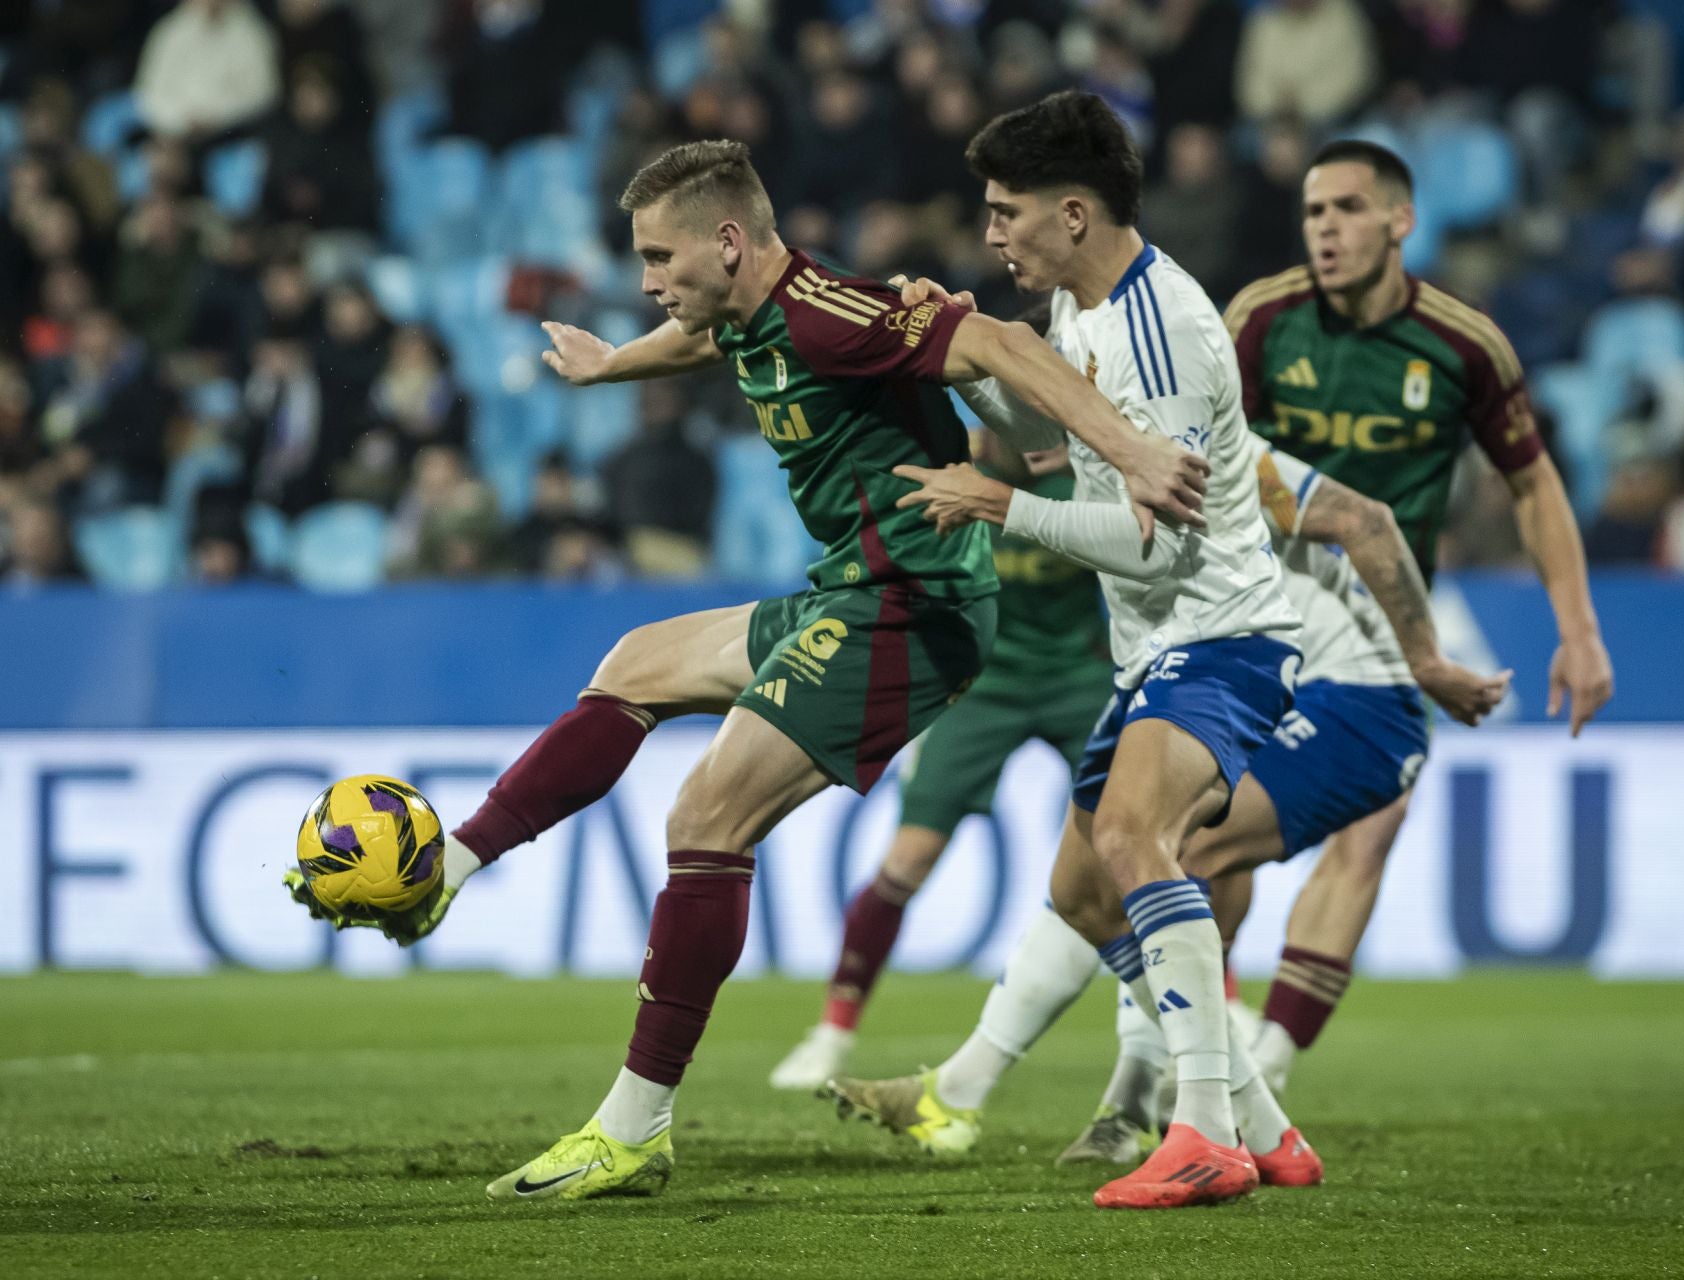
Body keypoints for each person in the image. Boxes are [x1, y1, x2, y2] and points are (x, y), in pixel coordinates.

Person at [285, 138, 1208, 1203]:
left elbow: (998, 341)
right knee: (634, 663)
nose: (646, 280)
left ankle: (633, 1126)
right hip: (851, 592)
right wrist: (611, 364)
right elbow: (704, 340)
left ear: (729, 241)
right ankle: (445, 873)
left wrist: (1135, 455)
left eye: (658, 255)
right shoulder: (754, 314)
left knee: (705, 818)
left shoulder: (835, 314)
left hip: (916, 607)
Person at [824, 89, 1310, 1211]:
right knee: (1085, 893)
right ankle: (1271, 1131)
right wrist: (980, 360)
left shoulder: (1166, 329)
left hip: (1220, 632)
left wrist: (995, 505)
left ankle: (1200, 1131)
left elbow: (1150, 549)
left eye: (1007, 212)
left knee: (1137, 836)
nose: (992, 233)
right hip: (1158, 649)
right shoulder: (1084, 315)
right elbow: (1061, 444)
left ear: (1075, 213)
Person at [830, 442, 1505, 1176]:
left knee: (1156, 850)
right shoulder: (1100, 455)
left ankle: (1150, 1108)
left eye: (1003, 400)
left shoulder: (1195, 443)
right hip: (1209, 673)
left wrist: (1428, 661)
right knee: (1083, 884)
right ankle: (991, 1093)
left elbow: (1364, 519)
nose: (985, 435)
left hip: (1351, 697)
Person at [1219, 139, 1613, 1095]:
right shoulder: (1261, 320)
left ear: (1401, 222)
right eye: (1314, 212)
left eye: (1349, 209)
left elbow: (1532, 485)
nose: (1326, 230)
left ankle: (1264, 1068)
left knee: (1370, 831)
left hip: (1386, 623)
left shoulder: (1463, 344)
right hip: (1259, 607)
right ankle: (1190, 1036)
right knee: (1211, 830)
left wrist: (1581, 629)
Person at [768, 428, 1113, 1092]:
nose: (996, 429)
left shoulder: (1083, 483)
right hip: (980, 688)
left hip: (1079, 681)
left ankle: (1220, 1001)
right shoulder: (947, 480)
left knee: (1140, 850)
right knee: (907, 862)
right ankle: (832, 1032)